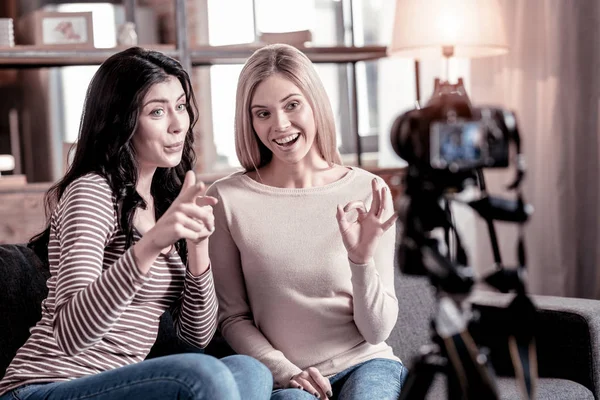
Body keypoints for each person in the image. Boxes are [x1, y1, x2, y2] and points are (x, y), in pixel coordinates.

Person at [0, 47, 272, 400]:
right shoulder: (93, 191)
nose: (177, 123)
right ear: (122, 120)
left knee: (250, 370)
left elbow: (196, 335)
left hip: (122, 384)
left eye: (180, 105)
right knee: (200, 374)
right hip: (48, 386)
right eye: (157, 111)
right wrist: (153, 242)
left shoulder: (165, 200)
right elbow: (70, 333)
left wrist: (198, 245)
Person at [207, 44, 407, 400]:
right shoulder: (227, 199)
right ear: (249, 121)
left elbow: (377, 332)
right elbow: (232, 318)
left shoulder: (368, 189)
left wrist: (360, 261)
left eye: (292, 104)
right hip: (290, 378)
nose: (280, 124)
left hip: (367, 363)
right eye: (262, 113)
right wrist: (286, 372)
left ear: (314, 102)